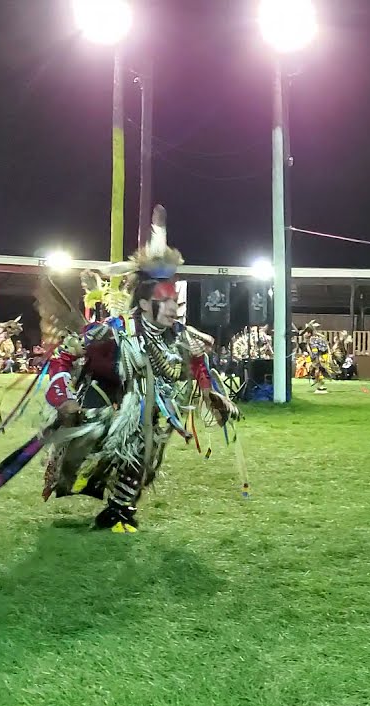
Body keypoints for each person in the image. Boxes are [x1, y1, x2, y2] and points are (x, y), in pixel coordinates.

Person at [32, 205, 239, 533]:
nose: (174, 307)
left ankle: (118, 511)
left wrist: (209, 392)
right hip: (104, 405)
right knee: (104, 447)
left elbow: (197, 362)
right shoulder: (116, 330)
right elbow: (63, 357)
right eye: (166, 301)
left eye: (175, 301)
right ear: (144, 304)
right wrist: (64, 399)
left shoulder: (179, 336)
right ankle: (94, 484)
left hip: (149, 416)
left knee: (144, 451)